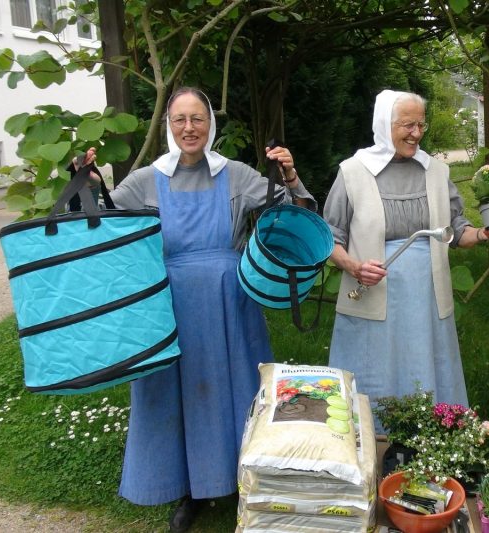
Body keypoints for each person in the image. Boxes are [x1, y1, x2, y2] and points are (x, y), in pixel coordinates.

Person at [82, 87, 316, 532]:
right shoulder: (148, 179)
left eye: (197, 119)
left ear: (210, 124)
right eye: (179, 120)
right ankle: (188, 488)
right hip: (168, 304)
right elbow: (108, 221)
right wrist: (92, 184)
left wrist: (289, 174)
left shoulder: (236, 173)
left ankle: (243, 477)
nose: (189, 128)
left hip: (230, 300)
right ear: (169, 127)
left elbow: (296, 215)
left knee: (235, 388)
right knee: (176, 392)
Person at [323, 89, 489, 425]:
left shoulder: (435, 172)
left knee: (426, 368)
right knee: (375, 371)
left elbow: (455, 230)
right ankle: (373, 444)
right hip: (373, 294)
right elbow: (330, 239)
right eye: (407, 125)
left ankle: (430, 442)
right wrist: (353, 266)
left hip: (426, 297)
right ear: (383, 124)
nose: (417, 133)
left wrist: (481, 234)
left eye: (421, 125)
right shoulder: (353, 172)